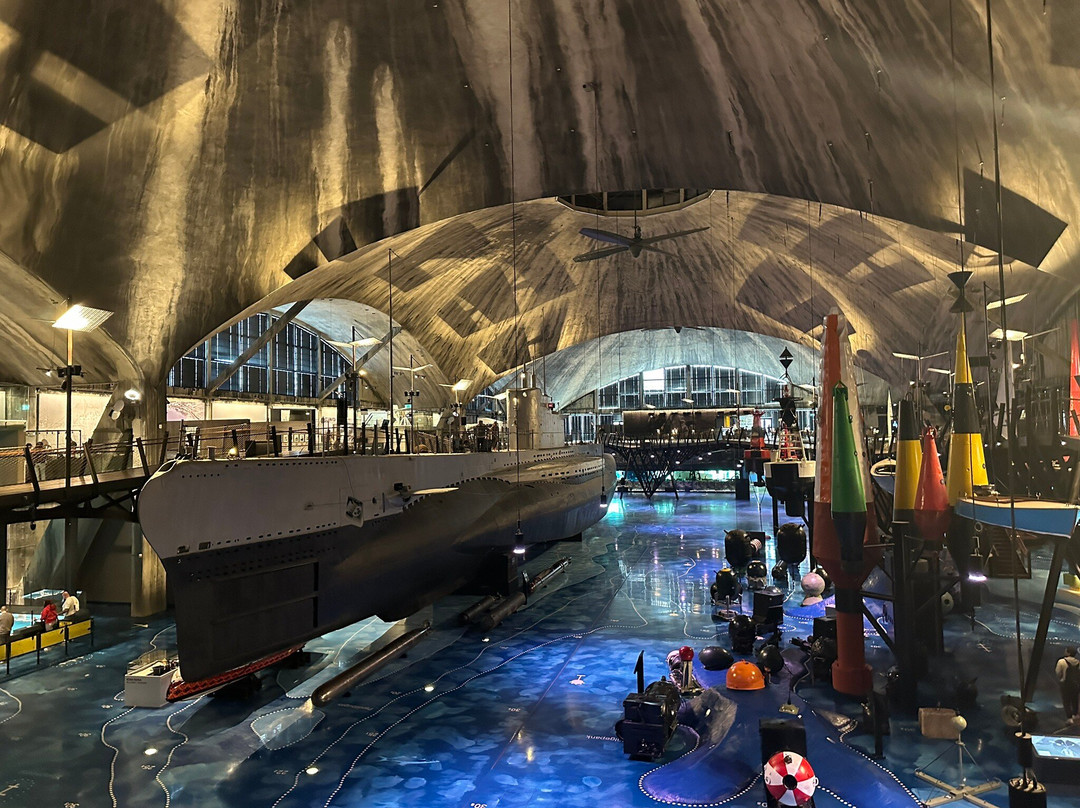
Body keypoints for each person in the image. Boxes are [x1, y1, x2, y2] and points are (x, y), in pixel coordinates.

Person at [1056, 646, 1080, 722]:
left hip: (1065, 684)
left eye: (1066, 651)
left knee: (1066, 701)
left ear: (1068, 653)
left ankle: (1069, 717)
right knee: (1074, 700)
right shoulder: (1078, 662)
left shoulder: (1061, 661)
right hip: (1076, 684)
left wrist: (1061, 678)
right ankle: (1075, 715)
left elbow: (1058, 672)